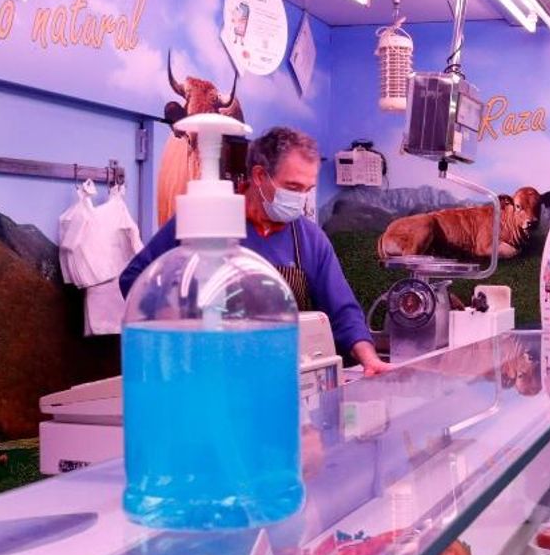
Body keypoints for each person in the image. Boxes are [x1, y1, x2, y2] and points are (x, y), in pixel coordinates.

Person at [120, 126, 391, 376]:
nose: (301, 199)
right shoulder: (205, 223)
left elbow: (343, 309)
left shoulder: (309, 239)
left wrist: (369, 359)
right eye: (293, 187)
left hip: (283, 376)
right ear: (260, 176)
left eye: (307, 190)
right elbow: (135, 278)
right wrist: (176, 317)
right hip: (208, 371)